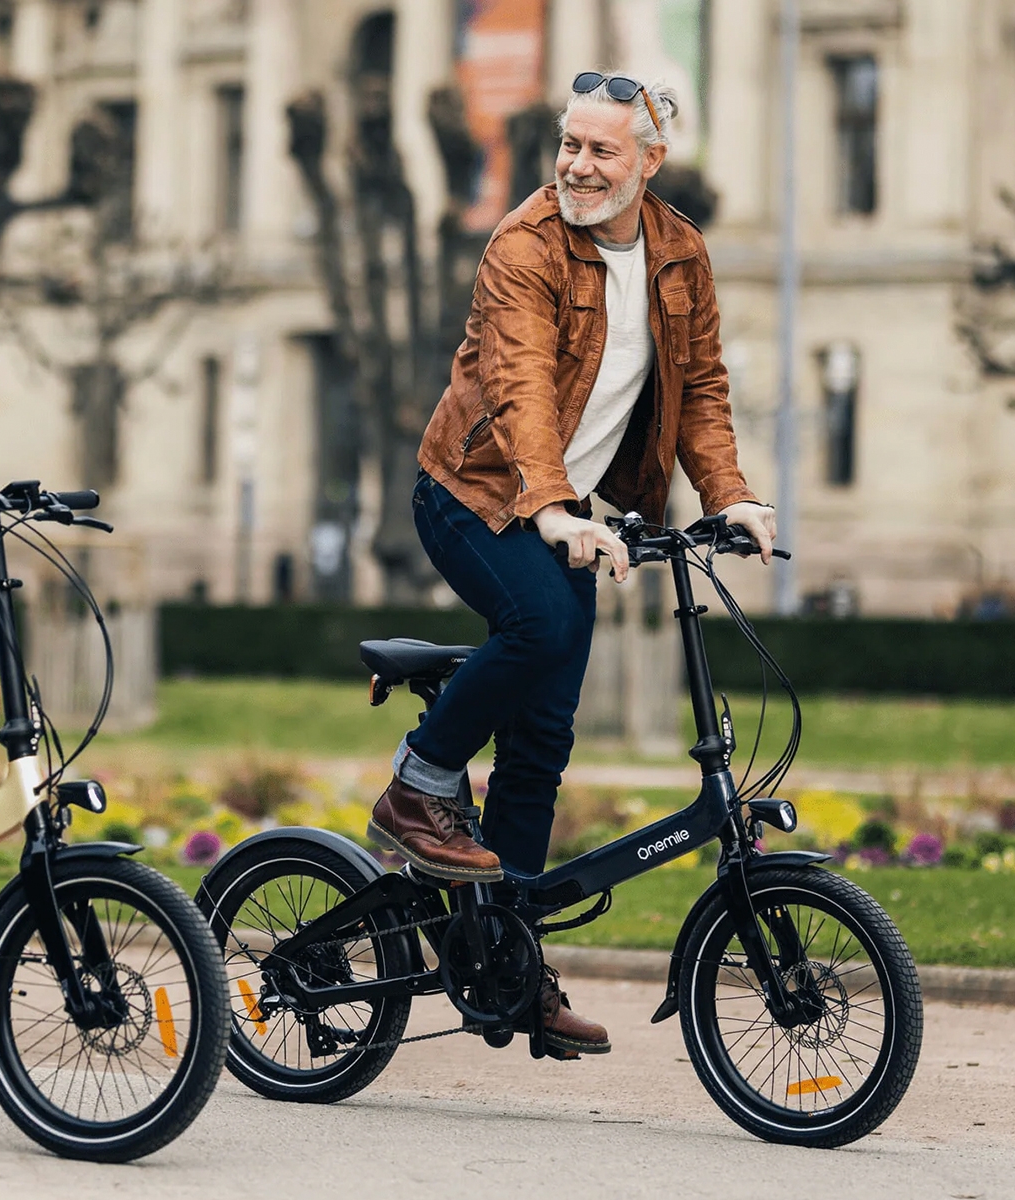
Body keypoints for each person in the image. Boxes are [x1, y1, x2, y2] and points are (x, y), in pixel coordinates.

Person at [365, 74, 778, 1058]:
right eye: (569, 146)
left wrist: (727, 495)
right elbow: (516, 388)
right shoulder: (523, 246)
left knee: (543, 737)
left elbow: (703, 390)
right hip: (469, 491)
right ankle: (417, 783)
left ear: (647, 163)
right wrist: (551, 507)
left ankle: (502, 962)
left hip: (563, 511)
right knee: (542, 627)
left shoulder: (679, 253)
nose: (578, 166)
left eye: (601, 151)